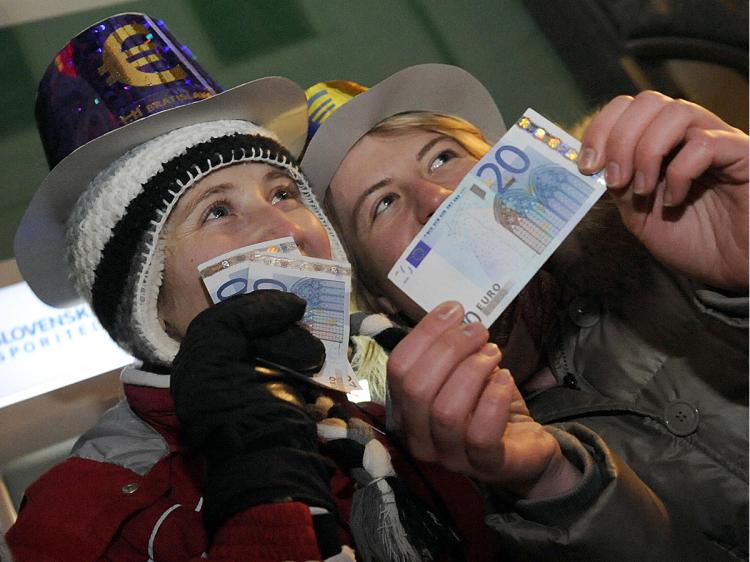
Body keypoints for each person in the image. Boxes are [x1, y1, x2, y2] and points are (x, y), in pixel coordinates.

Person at [6, 20, 499, 562]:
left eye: (285, 193)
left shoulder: (402, 424)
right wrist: (257, 488)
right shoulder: (76, 517)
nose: (289, 231)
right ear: (150, 303)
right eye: (218, 210)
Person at [301, 64, 749, 560]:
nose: (439, 199)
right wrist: (553, 485)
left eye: (443, 157)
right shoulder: (453, 481)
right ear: (381, 297)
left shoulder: (678, 234)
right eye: (382, 203)